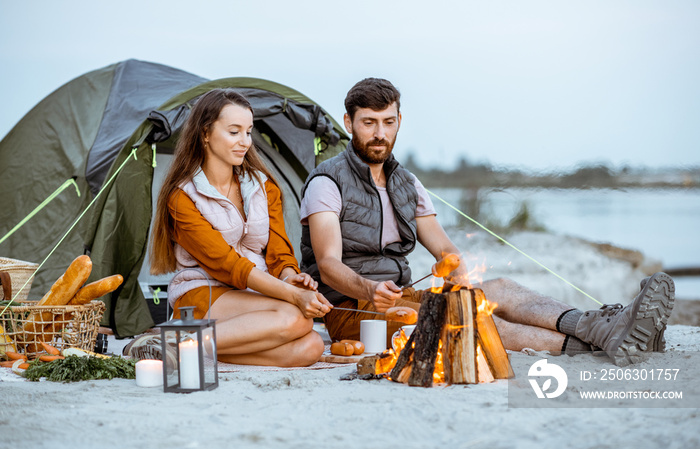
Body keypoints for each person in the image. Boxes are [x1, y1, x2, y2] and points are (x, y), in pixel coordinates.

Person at [300, 78, 675, 367]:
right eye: (368, 123)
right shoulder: (326, 182)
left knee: (501, 288)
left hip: (403, 295)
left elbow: (443, 247)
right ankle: (605, 340)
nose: (379, 133)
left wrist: (457, 270)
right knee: (473, 320)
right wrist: (368, 289)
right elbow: (329, 266)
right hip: (355, 312)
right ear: (349, 122)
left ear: (400, 121)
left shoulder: (407, 183)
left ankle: (603, 327)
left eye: (388, 122)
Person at [148, 89, 330, 367]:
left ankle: (191, 348)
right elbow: (227, 264)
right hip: (205, 291)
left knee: (312, 346)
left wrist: (289, 275)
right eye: (234, 132)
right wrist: (292, 295)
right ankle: (175, 341)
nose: (244, 142)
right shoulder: (181, 197)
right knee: (295, 317)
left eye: (248, 132)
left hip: (255, 292)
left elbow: (278, 248)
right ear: (205, 133)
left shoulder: (264, 186)